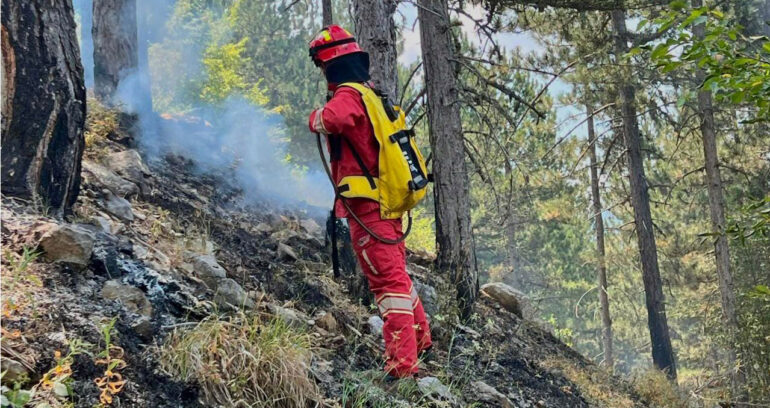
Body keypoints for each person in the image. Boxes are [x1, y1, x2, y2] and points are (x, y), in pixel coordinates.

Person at [307, 25, 432, 379]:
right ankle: (420, 341)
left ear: (330, 63)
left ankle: (402, 367)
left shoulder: (348, 95)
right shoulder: (371, 93)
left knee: (387, 284)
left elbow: (334, 118)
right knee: (397, 276)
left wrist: (313, 118)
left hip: (368, 208)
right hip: (385, 204)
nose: (322, 73)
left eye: (321, 65)